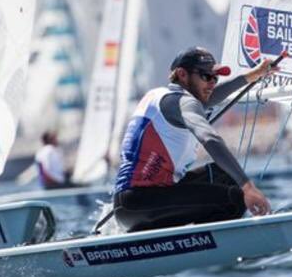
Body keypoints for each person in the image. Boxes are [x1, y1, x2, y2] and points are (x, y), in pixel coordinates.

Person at [112, 47, 276, 232]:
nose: (212, 83)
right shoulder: (183, 102)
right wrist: (248, 187)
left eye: (215, 78)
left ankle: (197, 235)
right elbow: (210, 138)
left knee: (225, 175)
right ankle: (206, 245)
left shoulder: (159, 96)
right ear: (182, 74)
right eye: (206, 76)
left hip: (130, 205)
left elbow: (210, 98)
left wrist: (253, 75)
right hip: (141, 203)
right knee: (234, 199)